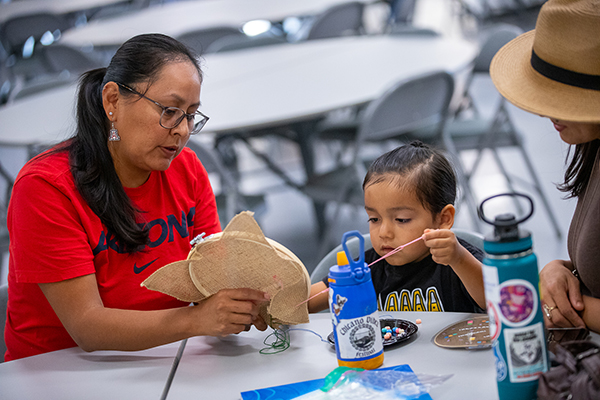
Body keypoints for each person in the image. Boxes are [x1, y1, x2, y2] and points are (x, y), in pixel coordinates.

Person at [4, 34, 269, 362]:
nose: (183, 130)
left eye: (190, 115)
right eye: (170, 111)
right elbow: (87, 326)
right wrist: (198, 319)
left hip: (165, 354)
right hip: (59, 369)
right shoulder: (46, 188)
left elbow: (210, 278)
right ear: (113, 101)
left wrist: (244, 302)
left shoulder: (185, 168)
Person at [489, 0, 600, 333]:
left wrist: (551, 303)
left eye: (562, 98)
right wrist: (560, 271)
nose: (543, 113)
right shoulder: (593, 148)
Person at [308, 141, 486, 313]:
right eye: (374, 219)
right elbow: (305, 303)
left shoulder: (459, 260)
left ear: (443, 219)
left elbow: (495, 302)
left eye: (401, 220)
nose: (384, 233)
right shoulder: (367, 267)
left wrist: (459, 259)